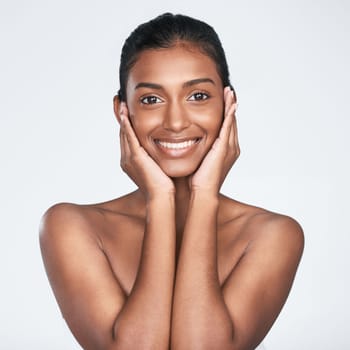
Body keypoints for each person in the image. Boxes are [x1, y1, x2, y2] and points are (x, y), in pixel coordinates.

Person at [39, 13, 304, 350]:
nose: (176, 122)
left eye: (198, 96)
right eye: (151, 99)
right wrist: (160, 200)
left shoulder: (272, 235)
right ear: (123, 110)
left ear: (228, 103)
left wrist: (204, 196)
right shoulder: (70, 226)